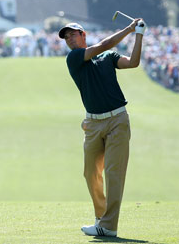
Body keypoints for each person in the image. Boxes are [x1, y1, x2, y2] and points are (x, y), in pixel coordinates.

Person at [59, 19, 146, 237]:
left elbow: (133, 62)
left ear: (83, 34)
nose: (69, 39)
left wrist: (139, 35)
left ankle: (108, 226)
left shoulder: (108, 58)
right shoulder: (74, 58)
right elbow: (103, 45)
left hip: (118, 120)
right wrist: (129, 28)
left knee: (113, 173)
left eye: (73, 35)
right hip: (93, 124)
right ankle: (101, 219)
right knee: (90, 173)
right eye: (66, 37)